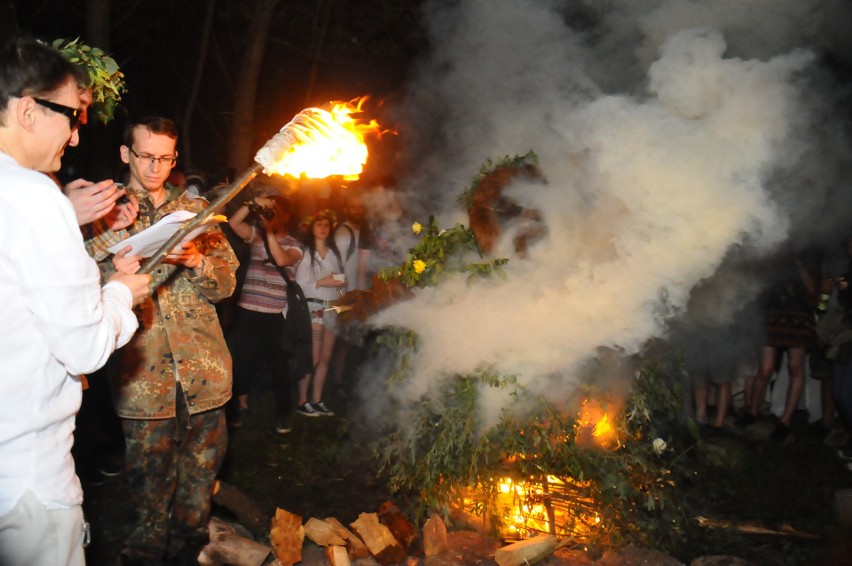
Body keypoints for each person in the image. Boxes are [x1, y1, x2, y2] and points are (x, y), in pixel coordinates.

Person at [0, 36, 149, 566]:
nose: (77, 129)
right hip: (26, 475)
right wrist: (121, 294)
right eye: (69, 114)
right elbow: (84, 347)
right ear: (25, 110)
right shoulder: (32, 195)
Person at [85, 116, 238, 565]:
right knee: (147, 500)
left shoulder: (196, 212)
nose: (155, 167)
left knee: (196, 496)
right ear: (124, 154)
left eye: (165, 158)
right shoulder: (100, 212)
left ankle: (190, 554)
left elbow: (226, 284)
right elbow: (82, 291)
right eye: (146, 156)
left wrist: (196, 261)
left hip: (205, 376)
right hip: (142, 379)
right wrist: (112, 244)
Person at [226, 185, 303, 433]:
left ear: (287, 217)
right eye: (269, 211)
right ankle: (242, 405)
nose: (271, 214)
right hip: (247, 312)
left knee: (279, 366)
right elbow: (234, 223)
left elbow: (281, 259)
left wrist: (269, 230)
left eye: (276, 211)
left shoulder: (295, 245)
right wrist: (252, 204)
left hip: (274, 315)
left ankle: (282, 413)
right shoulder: (256, 236)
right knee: (242, 362)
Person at [738, 253, 819, 441]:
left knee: (795, 368)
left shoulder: (808, 256)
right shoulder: (773, 254)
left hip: (798, 317)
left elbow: (813, 290)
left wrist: (798, 264)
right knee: (765, 369)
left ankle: (786, 421)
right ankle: (752, 412)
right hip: (773, 316)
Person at [295, 209, 346, 417]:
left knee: (326, 356)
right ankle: (302, 400)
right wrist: (324, 281)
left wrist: (339, 286)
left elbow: (340, 280)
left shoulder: (334, 253)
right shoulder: (307, 253)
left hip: (332, 307)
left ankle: (317, 399)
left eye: (326, 225)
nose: (323, 229)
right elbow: (300, 285)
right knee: (313, 357)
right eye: (319, 224)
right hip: (314, 307)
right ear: (311, 228)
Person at [331, 190, 374, 389]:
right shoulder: (343, 233)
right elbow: (336, 266)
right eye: (353, 206)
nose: (358, 210)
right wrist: (345, 297)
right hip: (349, 295)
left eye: (360, 206)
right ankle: (339, 383)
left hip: (361, 294)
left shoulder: (361, 231)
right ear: (346, 209)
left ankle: (349, 383)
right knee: (344, 344)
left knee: (354, 342)